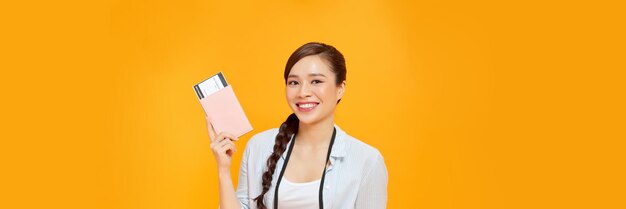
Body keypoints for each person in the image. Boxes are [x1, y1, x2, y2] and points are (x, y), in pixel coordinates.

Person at [206, 42, 388, 209]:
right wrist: (223, 169)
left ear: (340, 88)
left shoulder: (367, 161)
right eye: (294, 82)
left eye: (316, 81)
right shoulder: (259, 146)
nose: (303, 92)